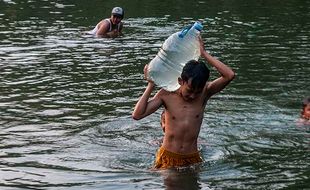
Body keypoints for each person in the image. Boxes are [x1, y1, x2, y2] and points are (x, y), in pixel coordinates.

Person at [132, 36, 235, 169]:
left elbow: (229, 75)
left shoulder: (205, 92)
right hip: (169, 156)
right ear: (181, 81)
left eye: (197, 92)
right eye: (190, 90)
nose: (193, 96)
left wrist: (204, 54)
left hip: (192, 158)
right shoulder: (167, 94)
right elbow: (137, 115)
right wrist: (151, 85)